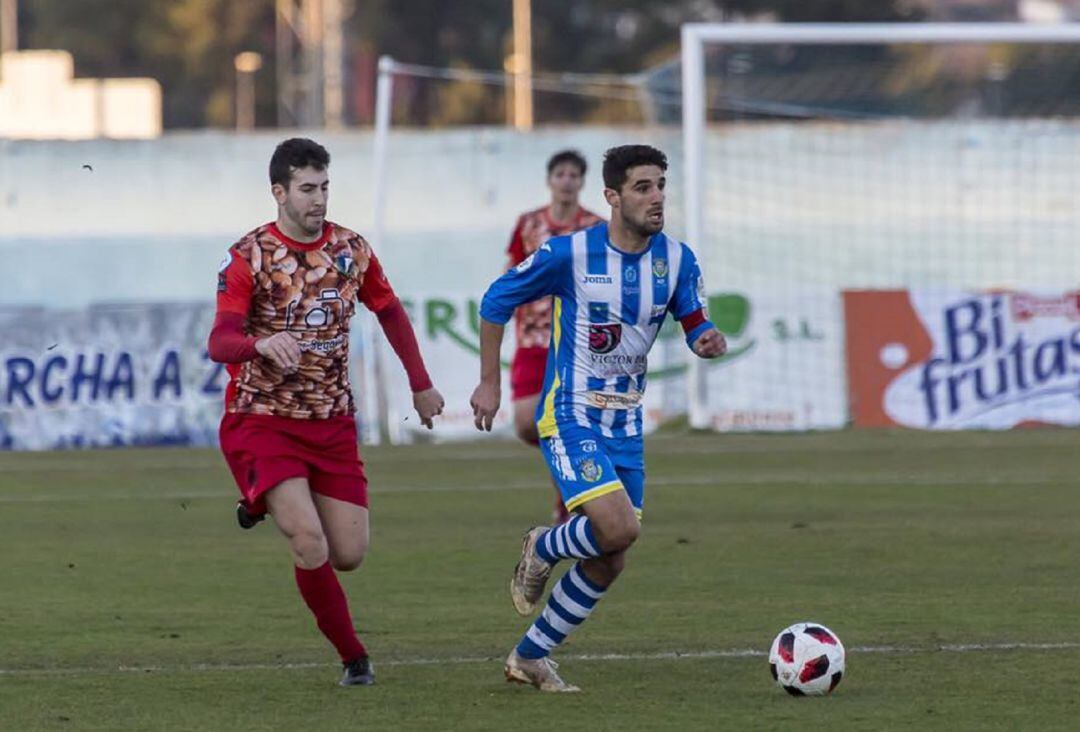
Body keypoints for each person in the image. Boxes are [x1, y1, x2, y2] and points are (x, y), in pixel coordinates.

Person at [470, 144, 727, 692]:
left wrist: (705, 337)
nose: (656, 197)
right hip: (571, 413)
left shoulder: (678, 260)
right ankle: (542, 545)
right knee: (619, 528)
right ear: (611, 197)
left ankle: (530, 657)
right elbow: (496, 299)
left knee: (613, 557)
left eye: (660, 185)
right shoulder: (567, 254)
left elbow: (694, 319)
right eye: (642, 187)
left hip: (626, 423)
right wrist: (491, 381)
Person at [208, 138, 444, 687]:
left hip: (332, 421)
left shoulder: (352, 250)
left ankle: (257, 500)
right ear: (279, 193)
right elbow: (220, 341)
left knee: (349, 554)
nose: (318, 200)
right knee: (308, 541)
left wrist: (421, 384)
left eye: (325, 188)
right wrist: (260, 345)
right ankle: (354, 658)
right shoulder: (249, 255)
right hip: (262, 416)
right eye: (307, 189)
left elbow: (389, 311)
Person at [504, 150, 603, 524]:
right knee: (527, 423)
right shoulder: (529, 223)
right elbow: (512, 269)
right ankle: (565, 472)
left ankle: (572, 496)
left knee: (571, 421)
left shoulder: (596, 227)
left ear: (581, 182)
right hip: (533, 336)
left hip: (577, 340)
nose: (566, 180)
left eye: (573, 174)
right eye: (560, 173)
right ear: (550, 180)